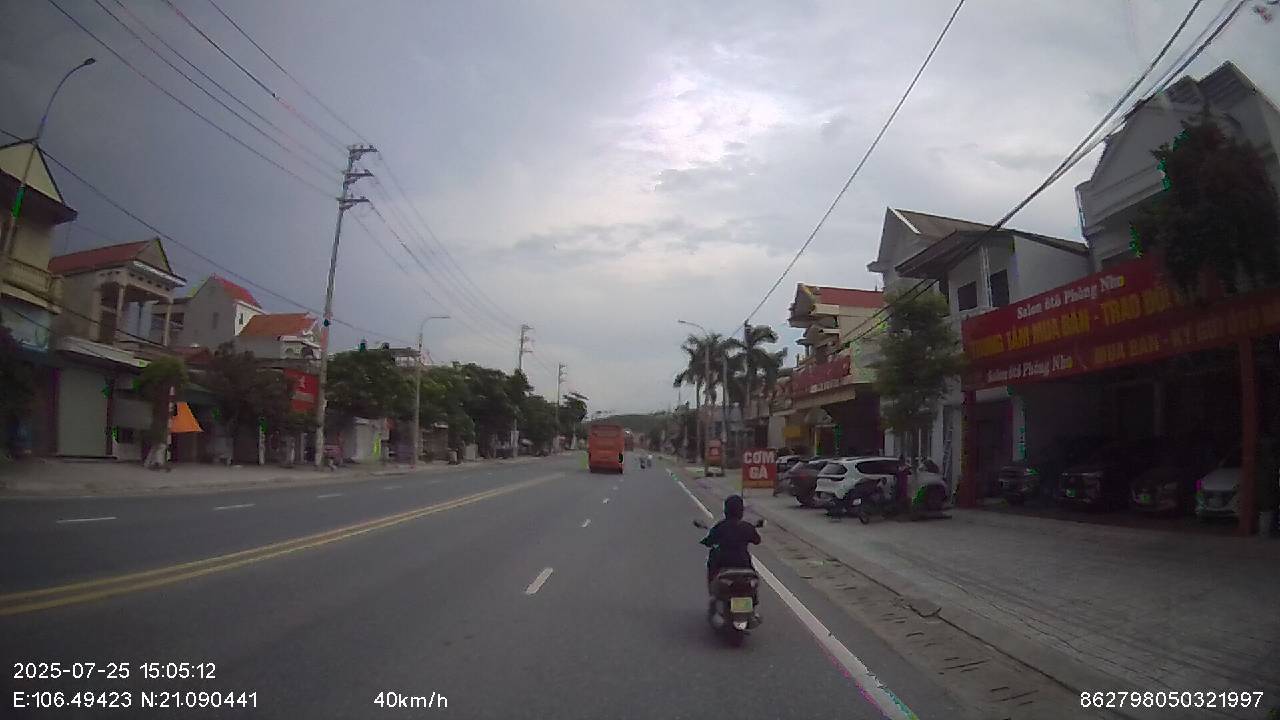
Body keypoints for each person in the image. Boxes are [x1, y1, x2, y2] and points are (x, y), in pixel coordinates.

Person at [700, 495, 761, 582]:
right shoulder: (747, 527)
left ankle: (712, 585)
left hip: (723, 563)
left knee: (712, 566)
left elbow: (709, 541)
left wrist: (706, 541)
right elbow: (757, 540)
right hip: (743, 562)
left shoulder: (720, 526)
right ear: (741, 511)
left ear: (726, 510)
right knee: (753, 577)